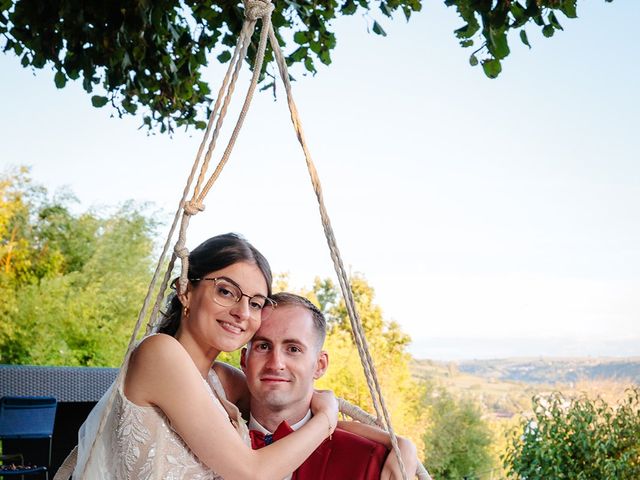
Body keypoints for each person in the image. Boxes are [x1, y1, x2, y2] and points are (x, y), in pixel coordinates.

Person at [72, 233, 339, 479]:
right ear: (185, 290)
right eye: (226, 291)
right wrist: (327, 419)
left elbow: (296, 408)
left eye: (255, 303)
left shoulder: (218, 379)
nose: (242, 312)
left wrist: (381, 440)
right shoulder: (159, 354)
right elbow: (253, 473)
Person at [234, 292, 418, 480]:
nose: (275, 363)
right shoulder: (213, 441)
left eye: (293, 349)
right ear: (244, 361)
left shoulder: (369, 459)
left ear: (320, 365)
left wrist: (403, 445)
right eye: (263, 346)